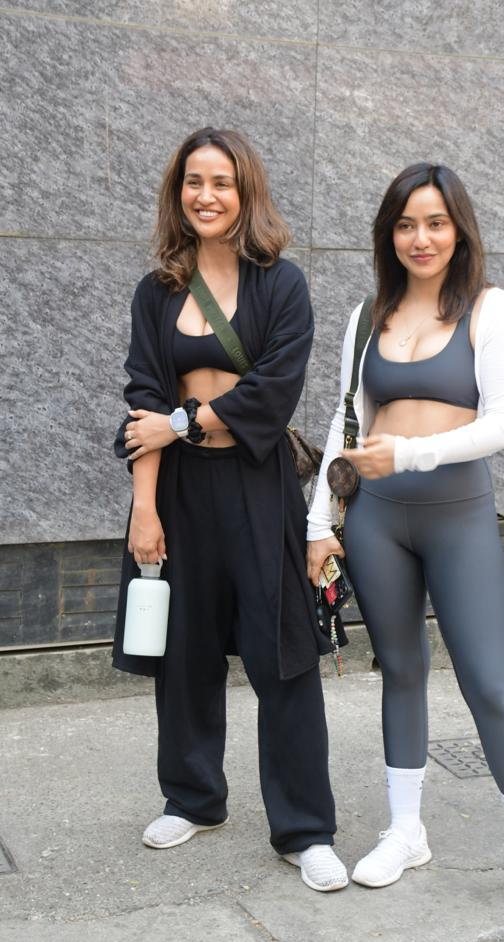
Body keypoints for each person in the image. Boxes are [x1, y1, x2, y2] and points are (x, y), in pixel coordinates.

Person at [307, 163, 504, 924]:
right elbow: (343, 422)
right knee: (400, 670)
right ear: (387, 234)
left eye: (434, 222)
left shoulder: (491, 310)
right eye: (404, 224)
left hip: (457, 516)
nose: (420, 237)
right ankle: (405, 832)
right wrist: (315, 525)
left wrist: (408, 453)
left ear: (458, 228)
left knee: (487, 682)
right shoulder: (369, 314)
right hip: (374, 520)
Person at [112, 127, 348, 893]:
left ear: (245, 192)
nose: (205, 195)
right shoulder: (158, 290)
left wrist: (180, 421)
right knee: (183, 652)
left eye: (220, 181)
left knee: (282, 655)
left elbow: (271, 390)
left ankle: (304, 829)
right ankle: (193, 797)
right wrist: (143, 509)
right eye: (192, 182)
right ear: (177, 193)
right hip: (177, 490)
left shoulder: (282, 284)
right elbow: (142, 401)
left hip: (256, 482)